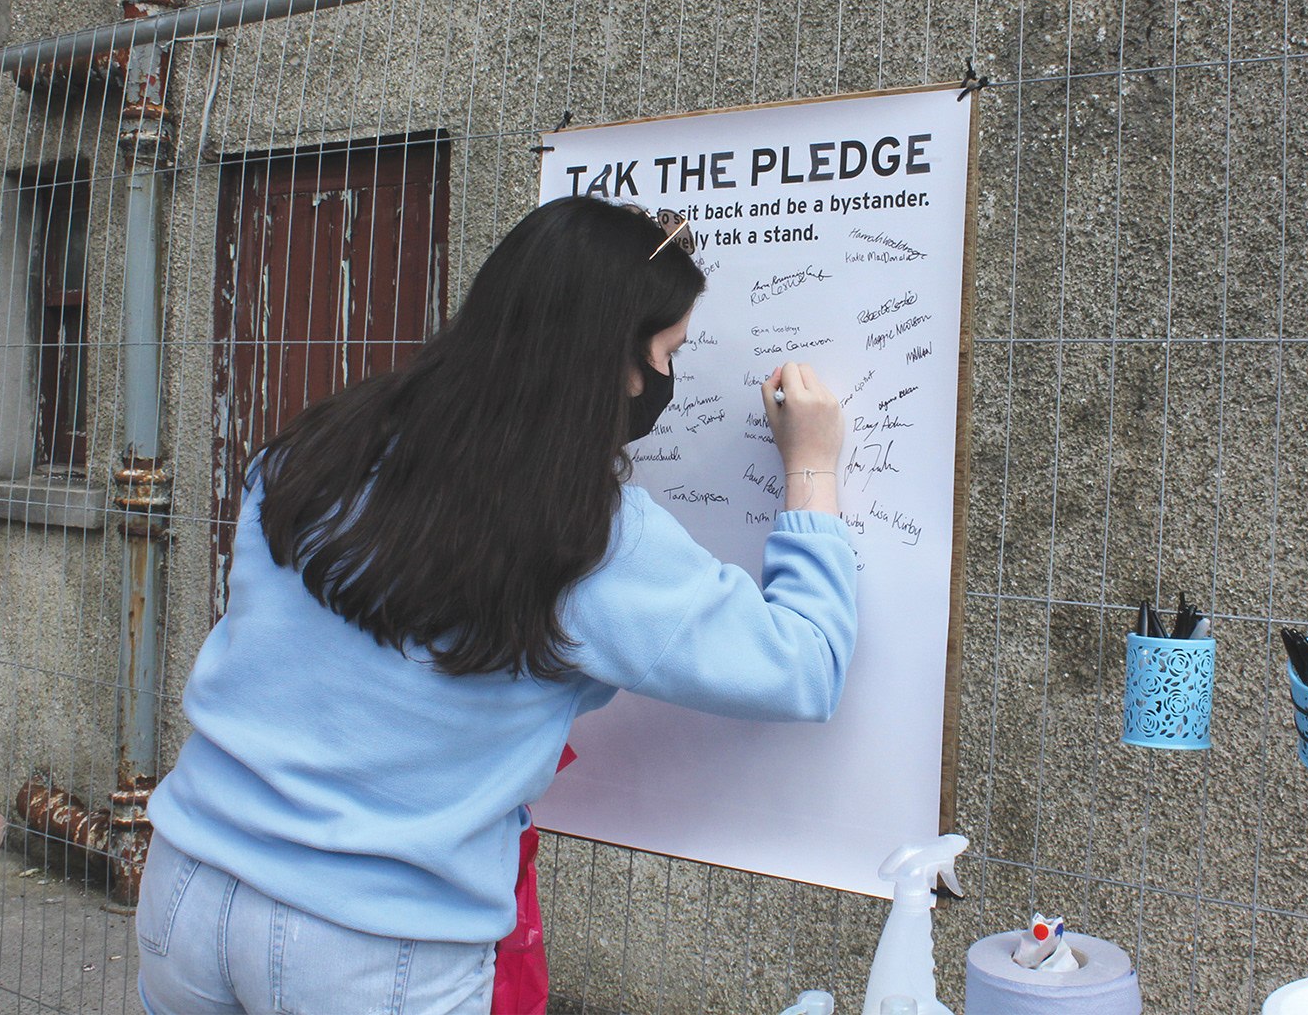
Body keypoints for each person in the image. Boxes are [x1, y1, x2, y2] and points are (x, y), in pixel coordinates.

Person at [136, 195, 856, 1014]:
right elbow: (807, 665)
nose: (665, 379)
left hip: (189, 886)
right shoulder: (587, 534)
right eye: (669, 351)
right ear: (615, 359)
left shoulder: (318, 444)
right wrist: (813, 470)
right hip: (373, 945)